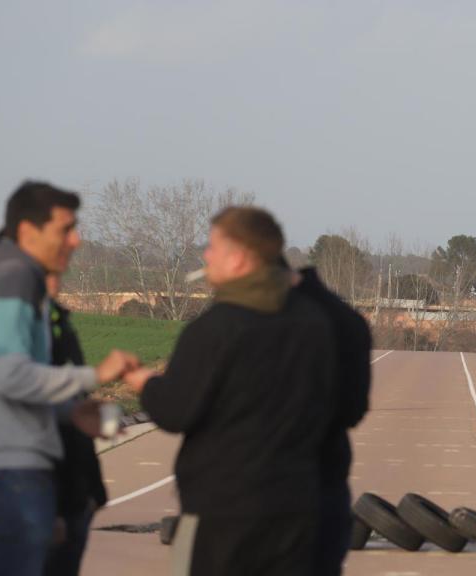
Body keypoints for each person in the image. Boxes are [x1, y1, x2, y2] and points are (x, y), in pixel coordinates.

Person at [124, 206, 337, 576]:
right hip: (299, 506)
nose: (205, 256)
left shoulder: (215, 328)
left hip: (225, 511)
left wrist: (143, 382)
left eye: (213, 248)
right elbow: (339, 406)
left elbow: (176, 411)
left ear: (238, 259)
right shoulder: (314, 323)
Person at [0, 182, 137, 576]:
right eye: (65, 229)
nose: (76, 240)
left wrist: (71, 411)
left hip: (11, 462)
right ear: (28, 231)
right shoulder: (15, 278)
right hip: (10, 465)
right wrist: (95, 374)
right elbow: (10, 375)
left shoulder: (14, 277)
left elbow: (8, 381)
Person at [291, 263, 372, 575]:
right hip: (329, 481)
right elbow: (354, 410)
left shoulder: (244, 323)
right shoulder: (349, 321)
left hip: (260, 492)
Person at [44, 273, 108, 576]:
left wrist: (93, 487)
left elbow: (77, 404)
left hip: (76, 485)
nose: (55, 277)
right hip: (47, 487)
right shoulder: (20, 334)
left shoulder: (60, 323)